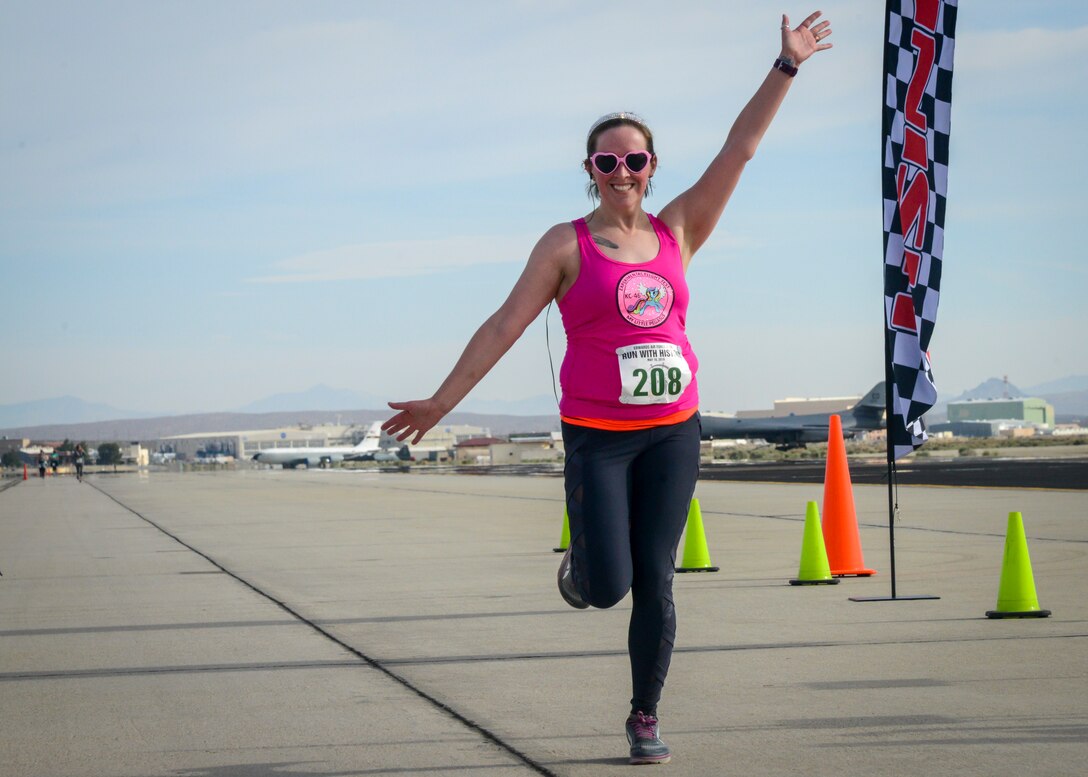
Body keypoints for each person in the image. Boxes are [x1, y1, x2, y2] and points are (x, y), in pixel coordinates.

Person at [383, 11, 832, 765]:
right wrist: (440, 403)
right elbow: (502, 326)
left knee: (658, 580)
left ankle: (644, 715)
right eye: (606, 162)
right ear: (589, 170)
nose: (622, 173)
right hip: (599, 439)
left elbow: (741, 149)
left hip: (673, 430)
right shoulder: (565, 244)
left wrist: (785, 66)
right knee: (608, 588)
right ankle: (584, 569)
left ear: (652, 167)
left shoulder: (682, 228)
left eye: (634, 161)